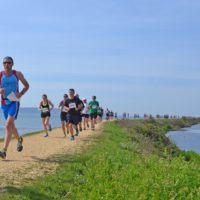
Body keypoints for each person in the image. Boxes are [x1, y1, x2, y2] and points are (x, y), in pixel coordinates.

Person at [0, 56, 29, 159]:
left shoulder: (17, 74)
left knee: (8, 125)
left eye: (9, 62)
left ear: (12, 64)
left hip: (14, 103)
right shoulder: (0, 75)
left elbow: (27, 86)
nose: (7, 64)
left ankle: (4, 151)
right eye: (5, 63)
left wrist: (20, 94)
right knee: (12, 127)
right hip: (4, 104)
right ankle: (19, 139)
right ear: (3, 64)